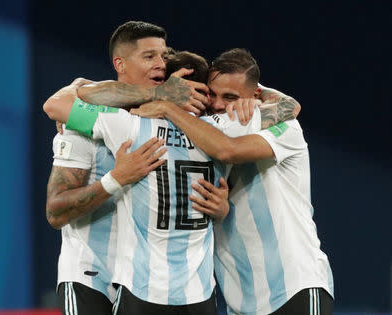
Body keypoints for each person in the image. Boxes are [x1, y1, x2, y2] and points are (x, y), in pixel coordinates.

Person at [130, 48, 334, 315]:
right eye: (212, 93)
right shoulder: (200, 130)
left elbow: (228, 150)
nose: (216, 104)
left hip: (294, 287)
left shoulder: (281, 126)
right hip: (239, 301)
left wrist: (167, 108)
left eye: (230, 97)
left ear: (255, 96)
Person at [44, 21, 205, 315]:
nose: (161, 64)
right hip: (91, 277)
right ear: (120, 63)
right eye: (149, 57)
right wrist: (116, 178)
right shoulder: (85, 120)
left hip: (143, 283)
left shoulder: (172, 121)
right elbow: (55, 211)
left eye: (164, 56)